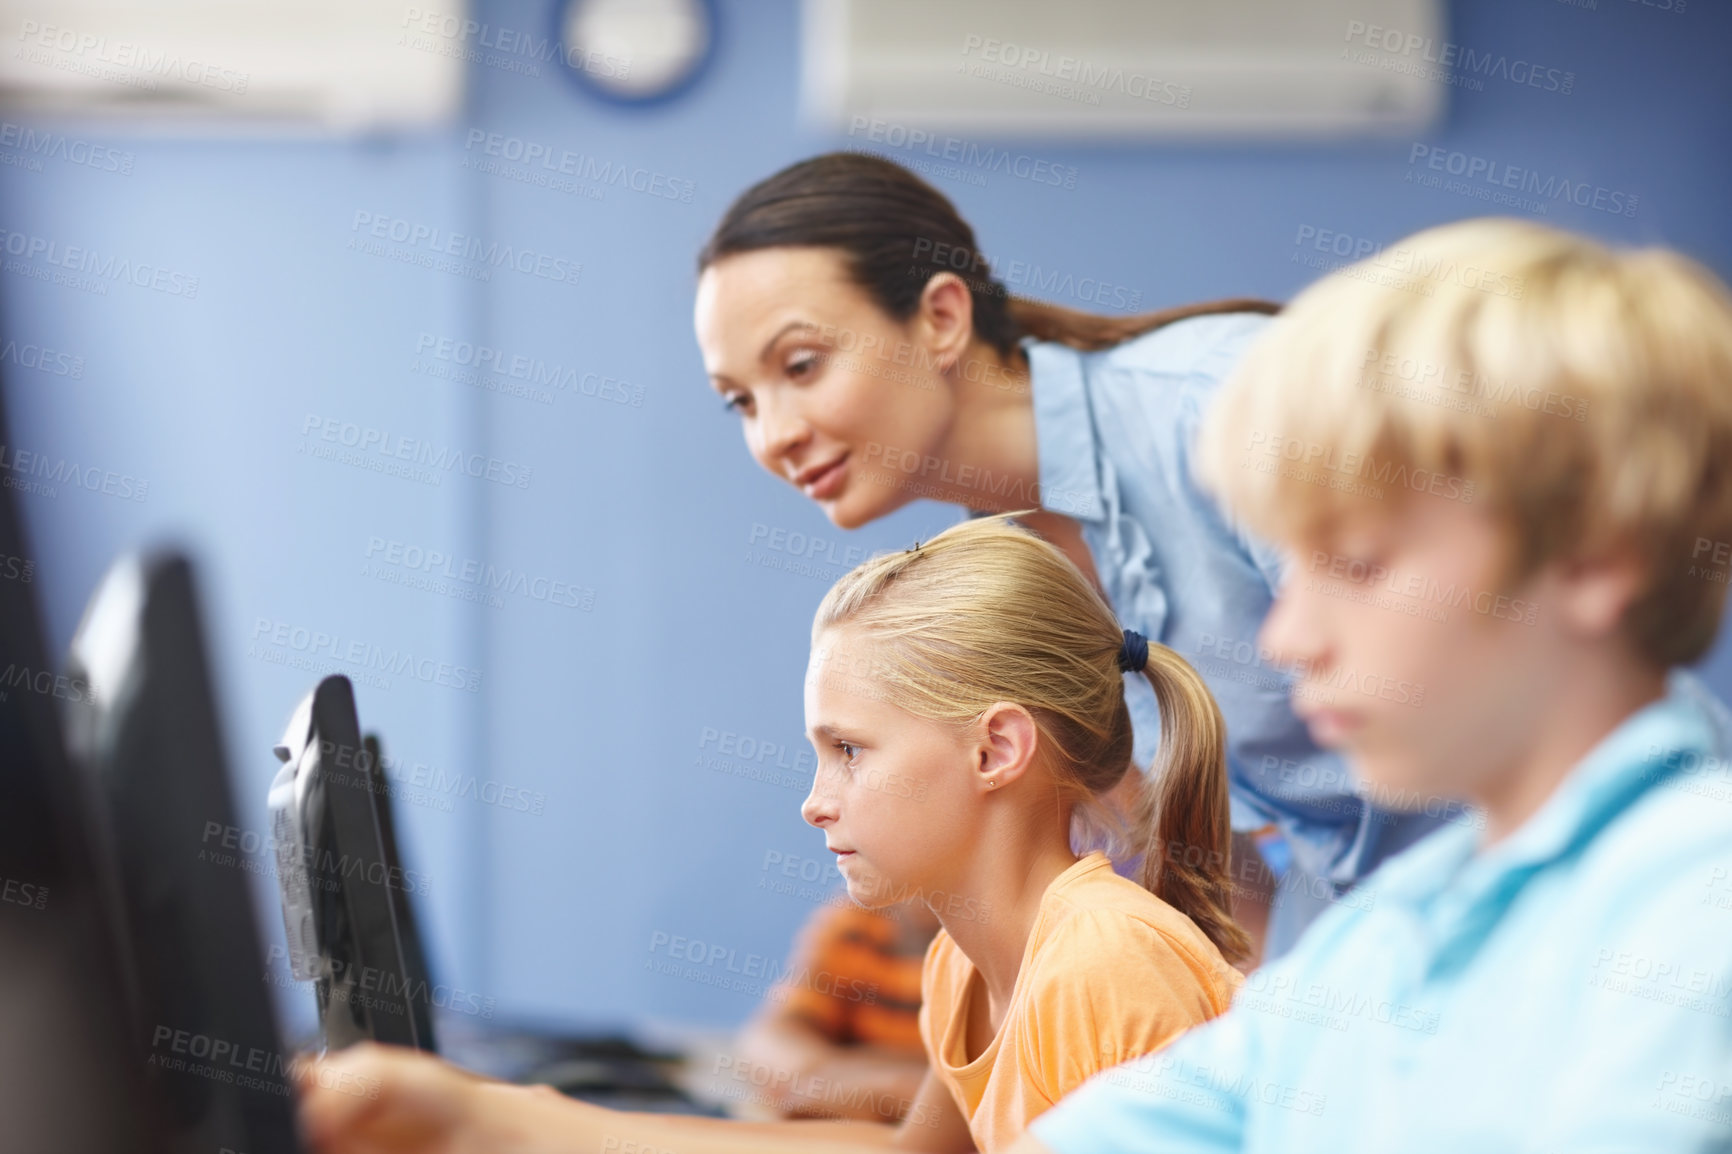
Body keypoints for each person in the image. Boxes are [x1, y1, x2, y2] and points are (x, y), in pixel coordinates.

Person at [993, 217, 1732, 1152]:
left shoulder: (1695, 906)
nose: (1288, 636)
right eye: (1287, 569)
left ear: (1593, 559)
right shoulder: (1379, 935)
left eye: (1352, 564)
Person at [693, 151, 1444, 957]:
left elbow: (1457, 690)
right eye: (741, 401)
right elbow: (1225, 887)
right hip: (1378, 956)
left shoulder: (1221, 398)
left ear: (941, 318)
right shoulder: (1010, 591)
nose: (774, 435)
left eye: (801, 365)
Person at [299, 514, 1246, 1152]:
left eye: (849, 750)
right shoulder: (973, 964)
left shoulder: (1101, 967)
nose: (816, 800)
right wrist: (496, 1118)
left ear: (997, 748)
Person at [725, 898, 937, 1124]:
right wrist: (829, 1080)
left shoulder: (973, 943)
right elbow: (767, 1039)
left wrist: (879, 1087)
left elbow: (969, 1094)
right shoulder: (860, 919)